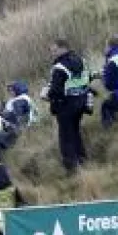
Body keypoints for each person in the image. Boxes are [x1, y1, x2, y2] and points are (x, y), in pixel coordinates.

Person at [41, 38, 91, 175]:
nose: (52, 53)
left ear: (64, 48)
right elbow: (87, 78)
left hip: (66, 106)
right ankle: (83, 160)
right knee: (75, 132)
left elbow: (56, 90)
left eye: (54, 50)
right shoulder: (81, 60)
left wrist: (46, 95)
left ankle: (72, 168)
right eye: (51, 51)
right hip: (81, 102)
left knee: (65, 137)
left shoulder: (59, 67)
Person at [0, 80, 38, 162]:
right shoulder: (22, 99)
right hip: (20, 128)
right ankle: (5, 160)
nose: (10, 92)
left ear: (18, 89)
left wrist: (2, 114)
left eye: (12, 90)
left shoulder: (20, 101)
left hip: (18, 130)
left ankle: (3, 162)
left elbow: (17, 116)